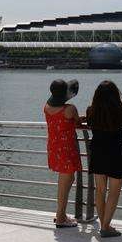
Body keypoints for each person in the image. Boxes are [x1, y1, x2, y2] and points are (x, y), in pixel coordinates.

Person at [86, 81, 122, 237]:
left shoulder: (91, 111)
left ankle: (104, 225)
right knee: (114, 192)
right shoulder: (121, 112)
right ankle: (106, 227)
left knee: (100, 190)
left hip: (98, 152)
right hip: (116, 153)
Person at [44, 79, 82, 228]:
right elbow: (77, 123)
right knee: (65, 184)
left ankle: (62, 214)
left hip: (54, 148)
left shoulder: (46, 107)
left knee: (64, 182)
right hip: (67, 149)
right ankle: (60, 218)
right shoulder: (70, 109)